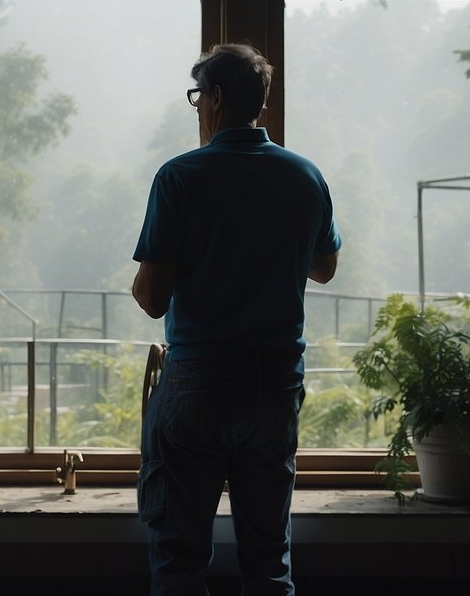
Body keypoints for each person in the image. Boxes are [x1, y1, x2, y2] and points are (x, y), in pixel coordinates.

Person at [131, 42, 342, 595]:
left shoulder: (179, 177)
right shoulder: (305, 176)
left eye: (198, 97)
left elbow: (153, 299)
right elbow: (325, 267)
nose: (197, 108)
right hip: (274, 386)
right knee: (269, 562)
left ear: (217, 98)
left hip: (198, 382)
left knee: (179, 559)